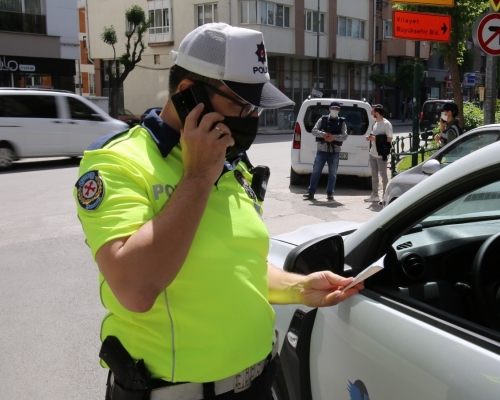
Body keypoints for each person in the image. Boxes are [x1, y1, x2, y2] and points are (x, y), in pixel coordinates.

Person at [74, 23, 362, 400]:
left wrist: (298, 287)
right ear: (188, 94)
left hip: (258, 381)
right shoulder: (120, 162)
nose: (251, 117)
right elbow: (134, 288)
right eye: (240, 105)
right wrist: (196, 177)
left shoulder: (230, 160)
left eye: (256, 106)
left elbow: (237, 265)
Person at [303, 102, 348, 201]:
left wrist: (333, 137)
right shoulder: (322, 119)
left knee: (332, 174)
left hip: (334, 152)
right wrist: (324, 135)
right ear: (329, 109)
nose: (335, 110)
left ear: (339, 110)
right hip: (321, 150)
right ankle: (311, 192)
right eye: (333, 108)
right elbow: (314, 131)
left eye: (337, 109)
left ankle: (330, 193)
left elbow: (345, 136)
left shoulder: (342, 122)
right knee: (316, 172)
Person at [364, 105, 393, 203]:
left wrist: (375, 139)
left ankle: (385, 196)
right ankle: (375, 194)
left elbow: (389, 139)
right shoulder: (375, 123)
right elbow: (375, 135)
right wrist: (370, 137)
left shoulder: (386, 124)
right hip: (373, 153)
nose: (371, 113)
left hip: (381, 154)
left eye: (372, 111)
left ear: (377, 112)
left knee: (383, 175)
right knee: (374, 175)